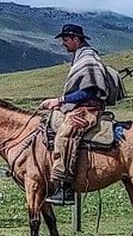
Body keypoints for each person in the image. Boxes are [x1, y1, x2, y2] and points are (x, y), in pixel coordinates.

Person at [40, 24, 122, 205]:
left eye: (66, 40)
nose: (63, 43)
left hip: (88, 109)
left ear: (76, 39)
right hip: (79, 107)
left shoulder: (87, 60)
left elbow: (89, 91)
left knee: (66, 133)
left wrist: (59, 100)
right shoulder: (81, 57)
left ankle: (65, 186)